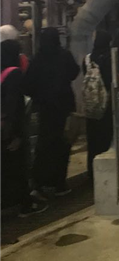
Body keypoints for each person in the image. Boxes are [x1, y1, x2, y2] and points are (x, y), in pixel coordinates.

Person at [24, 28, 79, 196]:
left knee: (44, 145)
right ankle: (59, 183)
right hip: (63, 108)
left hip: (45, 109)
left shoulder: (37, 59)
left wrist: (40, 96)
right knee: (62, 144)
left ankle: (39, 182)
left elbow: (28, 85)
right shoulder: (64, 55)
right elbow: (74, 73)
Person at [0, 39, 47, 217]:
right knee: (19, 167)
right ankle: (26, 205)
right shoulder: (14, 74)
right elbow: (15, 107)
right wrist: (16, 135)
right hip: (10, 131)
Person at [83, 30, 114, 180]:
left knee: (92, 139)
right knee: (106, 136)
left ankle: (91, 172)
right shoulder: (110, 57)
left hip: (91, 104)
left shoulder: (88, 59)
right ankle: (105, 173)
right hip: (106, 103)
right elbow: (111, 79)